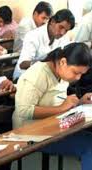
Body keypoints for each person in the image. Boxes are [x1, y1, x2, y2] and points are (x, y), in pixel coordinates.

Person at [12, 42, 92, 170]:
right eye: (76, 72)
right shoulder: (38, 74)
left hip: (55, 127)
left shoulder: (61, 73)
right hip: (30, 133)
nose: (78, 77)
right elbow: (24, 110)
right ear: (63, 62)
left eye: (81, 74)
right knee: (90, 147)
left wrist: (80, 102)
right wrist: (62, 108)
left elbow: (57, 103)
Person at [13, 9, 75, 81]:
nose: (62, 33)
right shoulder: (33, 36)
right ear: (52, 22)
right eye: (61, 27)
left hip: (47, 77)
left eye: (66, 30)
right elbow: (22, 64)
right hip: (25, 77)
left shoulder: (64, 37)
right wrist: (46, 62)